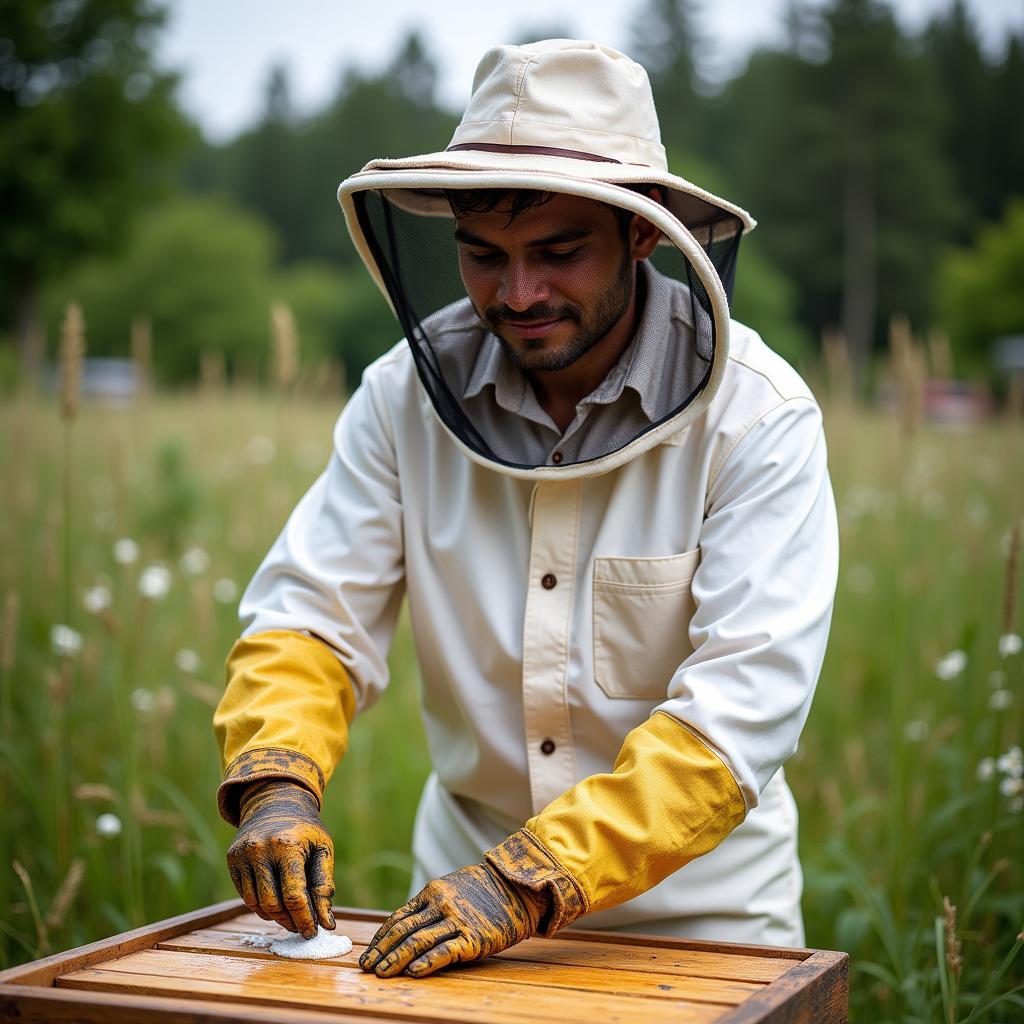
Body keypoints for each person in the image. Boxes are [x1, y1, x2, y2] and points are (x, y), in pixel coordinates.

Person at [213, 38, 838, 980]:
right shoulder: (400, 396)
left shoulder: (760, 415)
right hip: (456, 915)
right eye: (483, 255)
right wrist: (274, 783)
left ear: (643, 230)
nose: (517, 293)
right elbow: (312, 615)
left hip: (704, 921)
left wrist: (529, 881)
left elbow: (736, 720)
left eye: (557, 252)